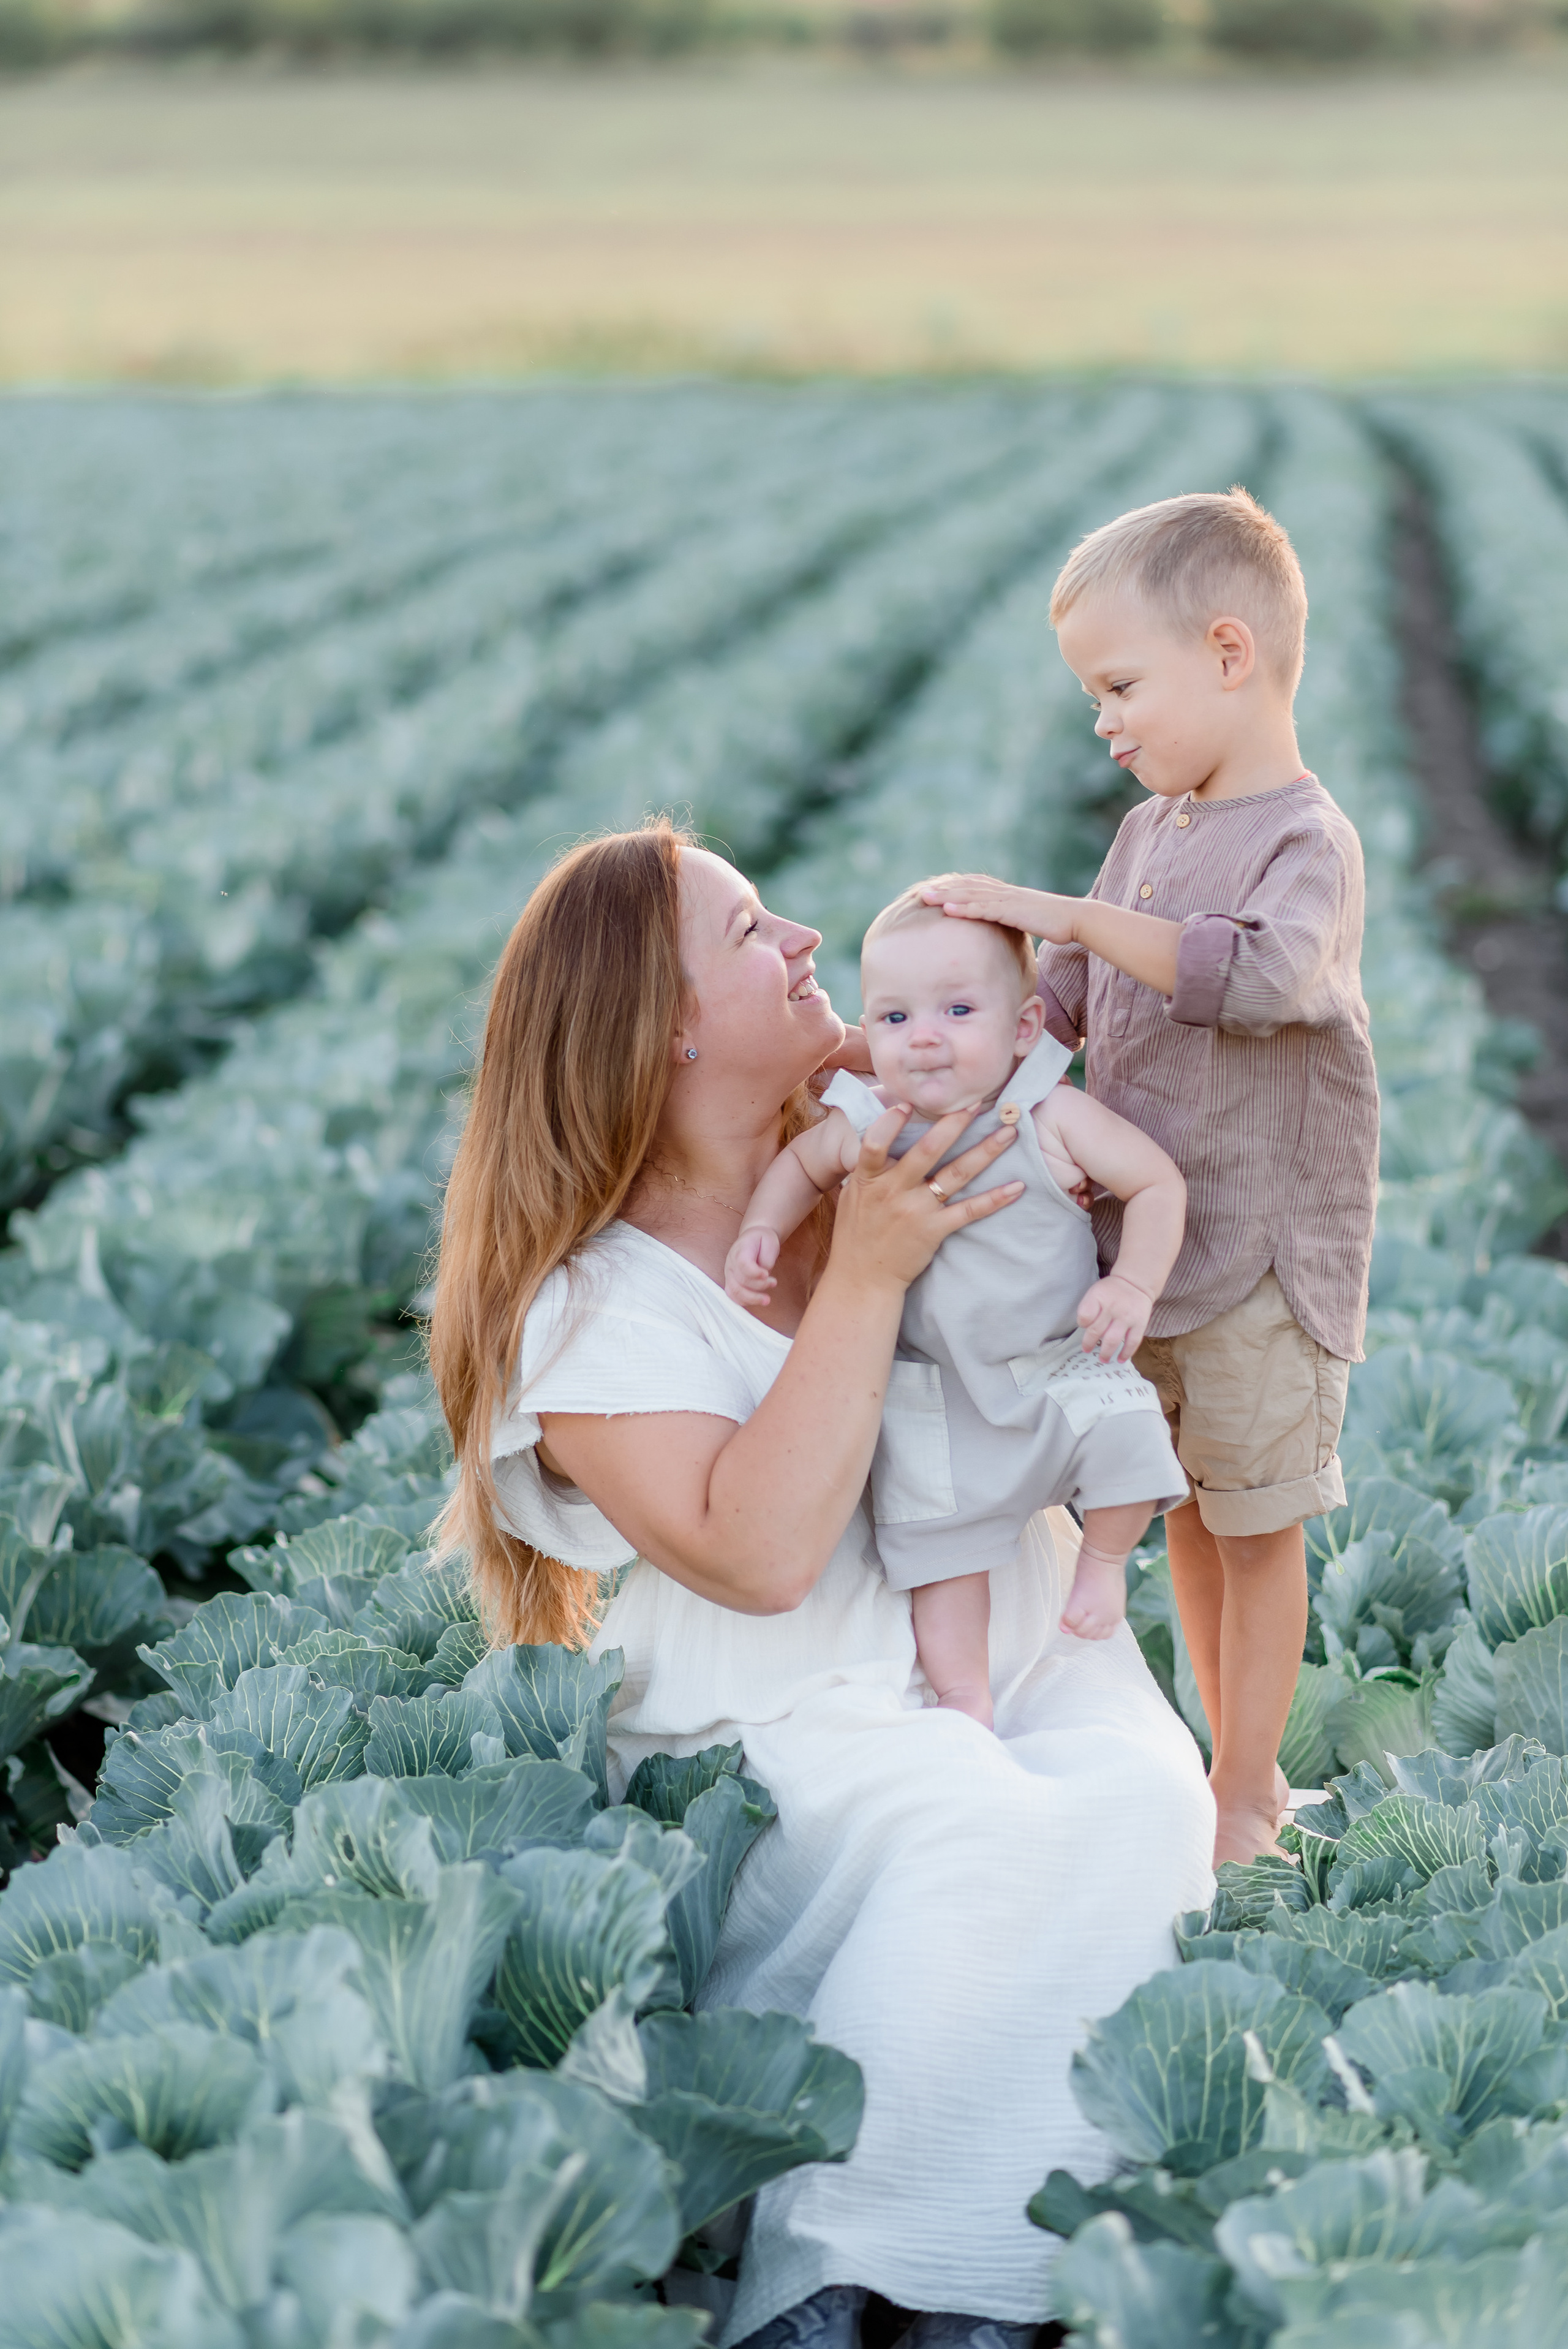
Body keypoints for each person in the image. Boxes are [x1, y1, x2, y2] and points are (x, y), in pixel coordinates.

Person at [428, 820, 1215, 2349]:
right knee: (970, 1827)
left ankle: (986, 2282)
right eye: (745, 931)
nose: (801, 937)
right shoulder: (593, 1302)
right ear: (662, 1029)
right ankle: (844, 2275)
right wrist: (864, 1273)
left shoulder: (894, 1110)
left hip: (998, 1646)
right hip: (784, 1731)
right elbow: (761, 1555)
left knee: (1139, 1800)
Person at [922, 486, 1379, 1871]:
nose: (1103, 721)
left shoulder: (1308, 840)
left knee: (1256, 1526)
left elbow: (1253, 979)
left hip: (1256, 1260)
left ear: (1229, 655)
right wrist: (937, 1027)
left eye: (1119, 686)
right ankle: (1198, 1760)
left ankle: (1248, 1791)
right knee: (1172, 1506)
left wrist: (1065, 913)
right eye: (1090, 697)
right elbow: (1060, 1006)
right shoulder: (1149, 834)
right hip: (1139, 1261)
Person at [723, 880, 1188, 1725]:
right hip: (935, 1384)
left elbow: (1156, 1181)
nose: (923, 1037)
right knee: (937, 1540)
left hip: (1055, 1358)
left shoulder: (1049, 1113)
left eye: (958, 1011)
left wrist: (1133, 1284)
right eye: (894, 1019)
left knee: (1128, 1427)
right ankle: (962, 1691)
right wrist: (761, 1230)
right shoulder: (872, 1117)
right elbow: (799, 1168)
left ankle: (1107, 1561)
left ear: (1022, 1032)